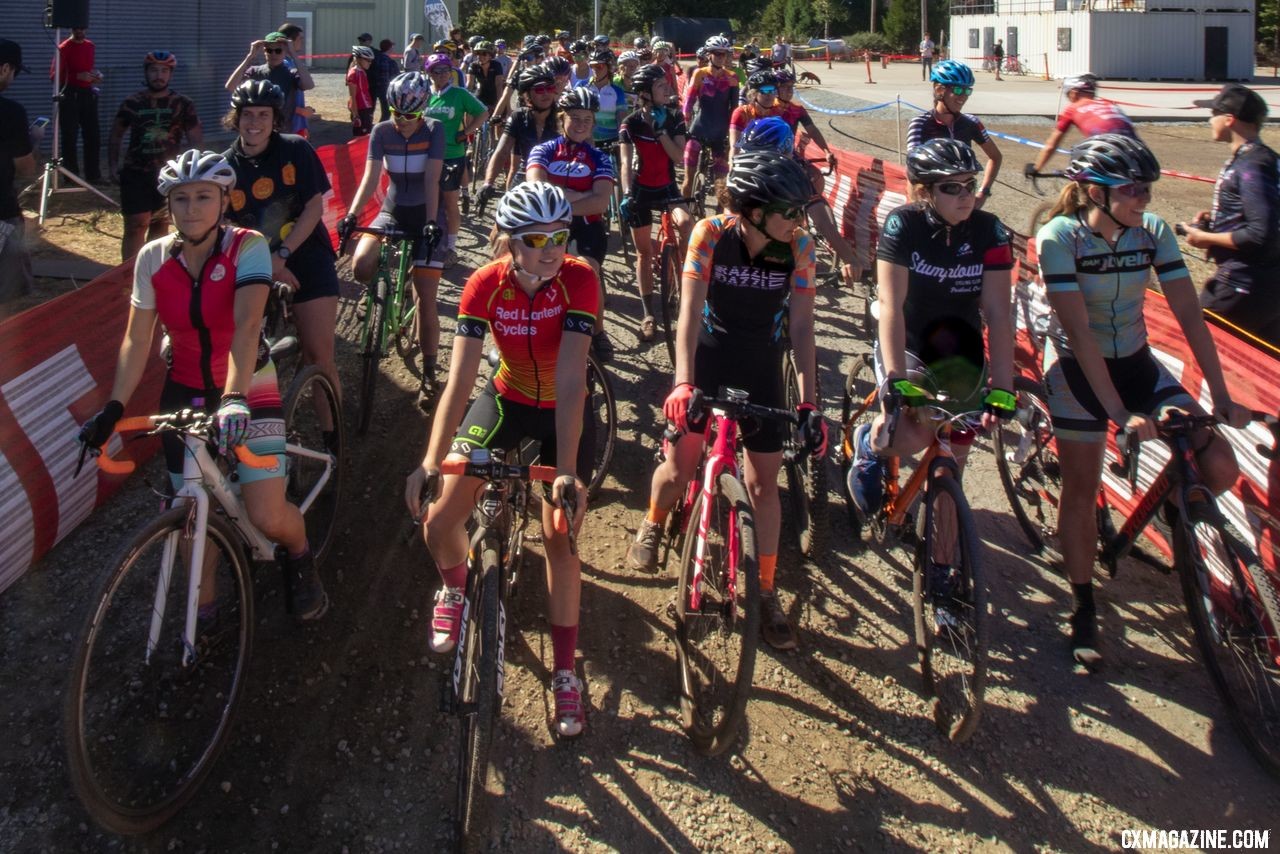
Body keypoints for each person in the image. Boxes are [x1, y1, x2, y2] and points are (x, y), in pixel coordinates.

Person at [77, 149, 328, 620]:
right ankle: (205, 613)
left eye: (203, 197)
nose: (192, 208)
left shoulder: (247, 245)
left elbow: (248, 322)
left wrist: (234, 396)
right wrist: (113, 407)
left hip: (248, 386)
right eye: (181, 198)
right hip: (186, 389)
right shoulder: (152, 257)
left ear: (223, 202)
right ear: (168, 205)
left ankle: (300, 557)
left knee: (267, 515)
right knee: (194, 512)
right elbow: (136, 338)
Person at [1035, 134, 1249, 665]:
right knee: (1081, 490)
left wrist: (1220, 395)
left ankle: (1177, 521)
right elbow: (1080, 335)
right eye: (1131, 189)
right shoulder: (1060, 237)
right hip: (1076, 368)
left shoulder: (1151, 233)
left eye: (1147, 188)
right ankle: (1083, 605)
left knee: (1218, 462)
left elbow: (1190, 317)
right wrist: (1119, 415)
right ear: (1092, 192)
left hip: (1135, 362)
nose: (1145, 199)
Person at [405, 182, 594, 737]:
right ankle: (455, 585)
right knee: (440, 519)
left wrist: (564, 471)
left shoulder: (580, 279)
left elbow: (571, 377)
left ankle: (564, 674)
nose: (551, 249)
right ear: (510, 242)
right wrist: (431, 460)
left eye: (560, 236)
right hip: (506, 399)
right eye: (536, 239)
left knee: (558, 536)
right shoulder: (484, 285)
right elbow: (462, 379)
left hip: (560, 408)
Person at [625, 152, 824, 650]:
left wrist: (808, 404)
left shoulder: (798, 245)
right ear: (754, 210)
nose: (799, 220)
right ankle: (653, 522)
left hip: (761, 363)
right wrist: (683, 382)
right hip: (711, 355)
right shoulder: (711, 234)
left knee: (764, 486)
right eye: (790, 210)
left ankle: (767, 589)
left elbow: (801, 328)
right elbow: (688, 314)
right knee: (680, 463)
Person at [845, 139, 1015, 631]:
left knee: (950, 465)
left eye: (971, 184)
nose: (967, 195)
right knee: (913, 434)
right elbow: (892, 308)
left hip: (958, 349)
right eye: (952, 188)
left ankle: (942, 574)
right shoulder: (904, 225)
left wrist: (1002, 388)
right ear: (923, 191)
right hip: (910, 338)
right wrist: (897, 380)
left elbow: (999, 315)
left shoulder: (989, 229)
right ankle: (868, 444)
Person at [223, 80, 342, 419]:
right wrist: (268, 264)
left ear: (275, 118)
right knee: (245, 355)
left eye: (263, 114)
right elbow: (225, 226)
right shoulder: (224, 166)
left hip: (305, 256)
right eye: (247, 114)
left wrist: (282, 256)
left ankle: (334, 441)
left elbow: (314, 208)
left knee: (319, 355)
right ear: (236, 118)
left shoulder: (296, 149)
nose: (254, 122)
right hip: (254, 263)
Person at [341, 71, 447, 409]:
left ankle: (429, 372)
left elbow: (432, 181)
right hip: (393, 209)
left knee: (426, 297)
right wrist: (353, 215)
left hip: (427, 213)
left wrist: (431, 222)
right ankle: (381, 293)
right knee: (360, 265)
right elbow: (371, 177)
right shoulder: (382, 131)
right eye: (396, 113)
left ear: (423, 110)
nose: (401, 121)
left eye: (410, 115)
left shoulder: (434, 130)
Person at [1178, 84, 1280, 345]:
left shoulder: (1251, 166)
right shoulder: (1265, 159)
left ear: (1229, 119)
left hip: (1243, 283)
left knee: (1196, 346)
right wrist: (1216, 220)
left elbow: (1260, 233)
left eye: (1213, 113)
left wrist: (1205, 238)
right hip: (1267, 281)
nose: (1209, 120)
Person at [526, 87, 616, 362]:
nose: (580, 125)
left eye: (587, 119)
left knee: (588, 271)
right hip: (548, 226)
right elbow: (536, 188)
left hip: (586, 227)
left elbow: (600, 203)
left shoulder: (600, 158)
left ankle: (598, 331)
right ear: (561, 118)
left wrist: (559, 199)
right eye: (574, 117)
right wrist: (580, 196)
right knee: (526, 272)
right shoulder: (543, 150)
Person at [619, 64, 692, 342]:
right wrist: (626, 193)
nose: (668, 90)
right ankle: (648, 312)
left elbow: (677, 158)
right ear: (645, 93)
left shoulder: (674, 117)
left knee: (686, 224)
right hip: (640, 189)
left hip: (667, 186)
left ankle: (686, 284)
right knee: (644, 253)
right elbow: (626, 163)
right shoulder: (631, 123)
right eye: (661, 86)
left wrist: (661, 131)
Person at [108, 51, 202, 261]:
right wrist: (113, 166)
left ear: (170, 74)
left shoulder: (183, 103)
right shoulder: (132, 102)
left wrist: (194, 170)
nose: (158, 75)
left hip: (168, 174)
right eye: (154, 70)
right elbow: (116, 135)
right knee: (136, 224)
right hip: (136, 172)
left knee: (161, 225)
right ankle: (128, 274)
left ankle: (152, 271)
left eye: (164, 71)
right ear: (146, 72)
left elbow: (195, 139)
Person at [906, 60, 1001, 209]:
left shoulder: (972, 122)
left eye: (967, 90)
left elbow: (996, 157)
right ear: (939, 90)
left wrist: (984, 193)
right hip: (932, 205)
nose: (963, 96)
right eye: (957, 90)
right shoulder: (919, 124)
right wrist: (916, 207)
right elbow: (912, 170)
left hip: (963, 203)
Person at [423, 53, 488, 266]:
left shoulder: (459, 94)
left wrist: (467, 132)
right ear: (428, 73)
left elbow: (483, 112)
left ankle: (451, 247)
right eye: (435, 71)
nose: (440, 75)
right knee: (425, 201)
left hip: (452, 155)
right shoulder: (424, 94)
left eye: (444, 70)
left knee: (450, 201)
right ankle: (425, 243)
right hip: (426, 155)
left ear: (450, 72)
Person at [477, 64, 561, 206]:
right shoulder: (518, 117)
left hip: (557, 179)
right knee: (504, 224)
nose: (546, 93)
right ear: (526, 96)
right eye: (540, 89)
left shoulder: (564, 116)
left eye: (550, 88)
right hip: (525, 176)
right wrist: (488, 183)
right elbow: (502, 152)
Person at [1029, 74, 1134, 175]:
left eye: (1068, 94)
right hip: (1137, 152)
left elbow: (1051, 146)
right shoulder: (1110, 105)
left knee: (1082, 178)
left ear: (1074, 92)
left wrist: (1036, 168)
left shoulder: (1073, 108)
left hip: (1107, 152)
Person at [680, 35, 738, 201]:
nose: (721, 57)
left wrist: (733, 133)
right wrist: (685, 120)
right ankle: (685, 213)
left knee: (723, 184)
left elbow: (734, 109)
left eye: (724, 54)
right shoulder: (700, 73)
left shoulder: (732, 77)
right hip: (698, 129)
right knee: (688, 179)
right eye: (717, 53)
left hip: (720, 133)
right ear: (709, 55)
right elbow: (689, 101)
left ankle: (722, 221)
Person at [0, 39, 35, 303]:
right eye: (14, 72)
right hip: (2, 213)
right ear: (4, 69)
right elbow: (26, 168)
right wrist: (33, 140)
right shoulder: (11, 112)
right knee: (9, 294)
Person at [224, 31, 314, 131]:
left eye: (278, 50)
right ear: (264, 51)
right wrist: (249, 56)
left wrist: (293, 54)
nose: (273, 54)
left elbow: (309, 85)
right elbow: (230, 86)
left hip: (283, 128)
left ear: (285, 52)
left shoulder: (291, 73)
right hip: (259, 127)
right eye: (269, 50)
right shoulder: (255, 71)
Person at [53, 27, 102, 182]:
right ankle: (71, 176)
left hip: (86, 93)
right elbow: (54, 75)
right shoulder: (63, 48)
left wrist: (95, 76)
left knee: (93, 136)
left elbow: (88, 69)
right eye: (77, 28)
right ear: (72, 29)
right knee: (70, 136)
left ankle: (93, 176)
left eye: (83, 28)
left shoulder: (90, 46)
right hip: (69, 94)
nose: (80, 31)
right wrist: (76, 76)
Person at [728, 69, 784, 157]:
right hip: (746, 159)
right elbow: (735, 147)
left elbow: (784, 147)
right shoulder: (741, 113)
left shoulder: (778, 113)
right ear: (753, 94)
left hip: (771, 160)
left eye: (773, 90)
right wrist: (732, 167)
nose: (769, 94)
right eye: (765, 90)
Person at [277, 24, 316, 138]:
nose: (302, 42)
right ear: (290, 41)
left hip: (297, 124)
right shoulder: (283, 65)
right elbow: (278, 100)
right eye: (300, 39)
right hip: (287, 125)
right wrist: (301, 112)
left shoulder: (293, 62)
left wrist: (303, 123)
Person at [586, 49, 627, 145]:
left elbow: (621, 119)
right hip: (586, 140)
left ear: (609, 68)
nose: (595, 69)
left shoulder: (617, 91)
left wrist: (623, 141)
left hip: (610, 142)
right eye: (592, 66)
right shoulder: (582, 87)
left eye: (599, 66)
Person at [346, 46, 375, 136]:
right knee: (360, 139)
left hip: (366, 108)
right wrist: (356, 116)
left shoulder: (362, 72)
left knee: (366, 137)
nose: (370, 63)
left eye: (371, 60)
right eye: (367, 60)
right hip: (360, 110)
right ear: (358, 59)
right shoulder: (354, 73)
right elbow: (352, 96)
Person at [371, 39, 400, 122]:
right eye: (392, 46)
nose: (393, 48)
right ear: (389, 48)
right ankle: (380, 129)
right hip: (384, 89)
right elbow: (385, 77)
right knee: (386, 113)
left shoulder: (377, 57)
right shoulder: (386, 60)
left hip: (375, 88)